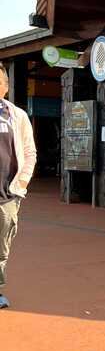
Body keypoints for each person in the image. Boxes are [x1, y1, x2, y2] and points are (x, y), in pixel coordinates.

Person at [0, 63, 37, 309]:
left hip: (6, 196)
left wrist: (20, 184)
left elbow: (29, 152)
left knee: (1, 250)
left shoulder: (17, 115)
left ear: (5, 86)